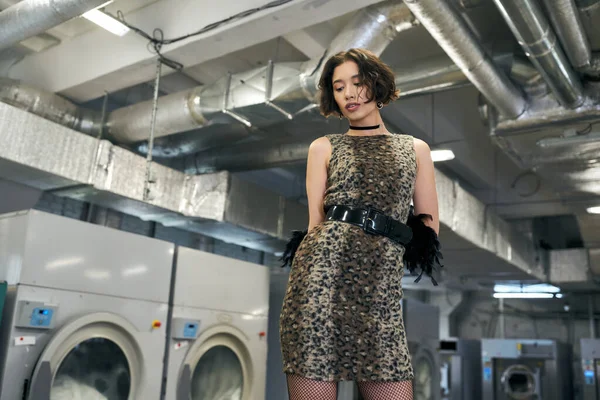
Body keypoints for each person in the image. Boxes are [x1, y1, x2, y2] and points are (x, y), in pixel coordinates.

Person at [279, 48, 442, 400]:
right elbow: (315, 224)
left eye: (357, 82)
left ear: (377, 84)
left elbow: (428, 226)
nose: (349, 93)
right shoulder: (323, 147)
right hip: (319, 285)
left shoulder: (415, 149)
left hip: (379, 291)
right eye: (339, 87)